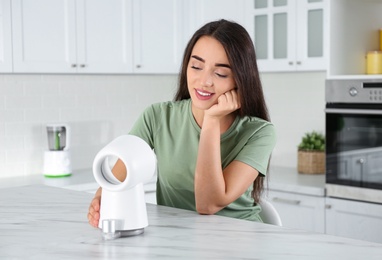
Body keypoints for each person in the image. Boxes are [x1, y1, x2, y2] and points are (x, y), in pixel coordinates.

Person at [88, 19, 276, 226]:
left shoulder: (259, 132)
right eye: (196, 66)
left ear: (240, 79)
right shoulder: (157, 117)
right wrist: (101, 198)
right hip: (176, 239)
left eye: (220, 73)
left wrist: (211, 120)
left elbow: (208, 205)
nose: (204, 81)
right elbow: (115, 181)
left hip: (240, 239)